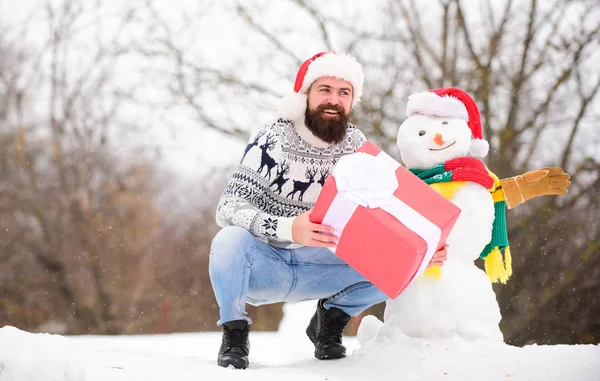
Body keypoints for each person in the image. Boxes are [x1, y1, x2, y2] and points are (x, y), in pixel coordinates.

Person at [208, 52, 571, 369]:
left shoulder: (355, 144)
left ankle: (331, 320)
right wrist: (290, 228)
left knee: (409, 259)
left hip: (325, 266)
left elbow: (396, 199)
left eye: (344, 92)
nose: (334, 100)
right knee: (228, 240)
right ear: (305, 95)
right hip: (266, 264)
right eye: (325, 90)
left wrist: (426, 243)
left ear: (352, 101)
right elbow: (228, 207)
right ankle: (235, 333)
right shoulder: (273, 138)